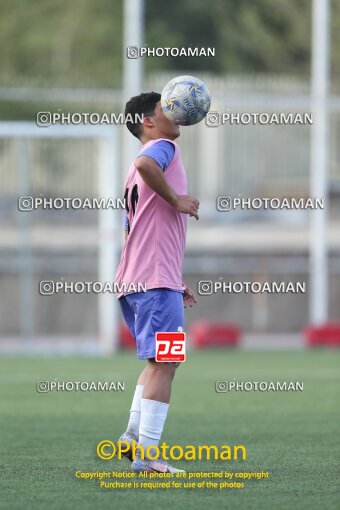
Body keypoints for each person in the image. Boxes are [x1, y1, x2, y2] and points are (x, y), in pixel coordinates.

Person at [115, 92, 199, 473]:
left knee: (159, 361)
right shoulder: (160, 148)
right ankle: (148, 457)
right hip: (153, 281)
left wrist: (173, 281)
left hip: (141, 280)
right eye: (167, 108)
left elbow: (145, 228)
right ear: (148, 122)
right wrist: (178, 200)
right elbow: (147, 162)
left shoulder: (134, 171)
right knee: (167, 360)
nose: (176, 113)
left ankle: (133, 436)